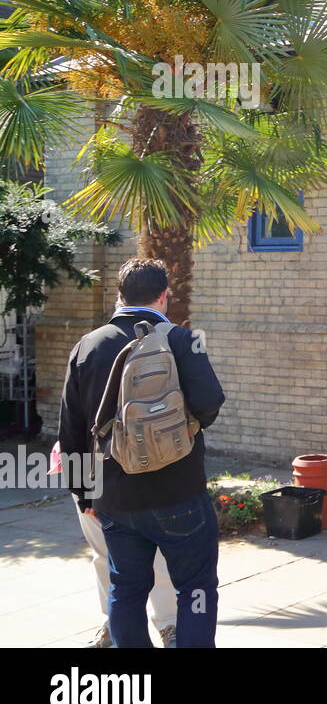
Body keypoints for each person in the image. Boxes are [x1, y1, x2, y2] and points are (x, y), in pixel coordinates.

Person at [58, 258, 225, 647]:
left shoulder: (88, 345)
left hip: (115, 497)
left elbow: (71, 430)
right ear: (163, 297)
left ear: (119, 296)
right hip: (179, 492)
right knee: (195, 586)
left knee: (126, 588)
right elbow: (210, 404)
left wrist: (85, 495)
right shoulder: (181, 340)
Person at [52, 440, 179, 647]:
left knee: (156, 556)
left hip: (145, 461)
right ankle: (113, 624)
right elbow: (71, 419)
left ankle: (170, 624)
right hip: (90, 465)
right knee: (103, 555)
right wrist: (81, 488)